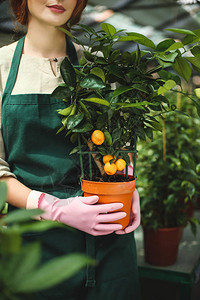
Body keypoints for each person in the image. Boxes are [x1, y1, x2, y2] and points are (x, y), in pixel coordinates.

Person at [0, 0, 141, 299]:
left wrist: (128, 184)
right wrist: (55, 208)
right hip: (36, 245)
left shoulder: (98, 66)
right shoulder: (1, 67)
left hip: (109, 235)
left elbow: (117, 140)